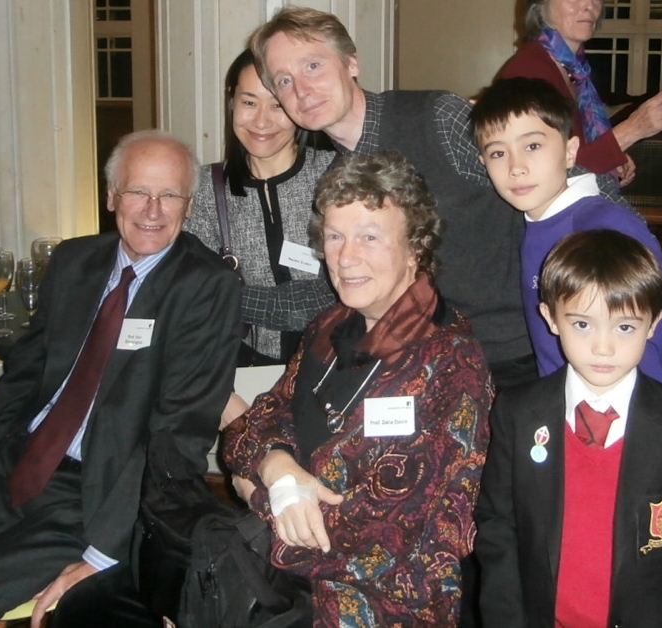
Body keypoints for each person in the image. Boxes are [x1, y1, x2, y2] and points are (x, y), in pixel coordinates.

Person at [222, 151, 493, 626]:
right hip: (291, 598)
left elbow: (380, 539)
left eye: (370, 237)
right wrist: (277, 466)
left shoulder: (450, 363)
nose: (347, 258)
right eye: (334, 236)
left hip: (390, 611)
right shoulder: (330, 327)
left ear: (415, 248)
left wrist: (255, 492)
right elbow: (258, 420)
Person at [0, 130, 242, 626]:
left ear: (188, 206)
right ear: (111, 197)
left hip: (94, 497)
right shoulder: (74, 260)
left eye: (169, 195)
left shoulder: (206, 286)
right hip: (15, 463)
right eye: (137, 192)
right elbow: (25, 373)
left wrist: (104, 551)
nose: (153, 210)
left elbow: (179, 433)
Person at [469, 76, 662, 508]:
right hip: (577, 437)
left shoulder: (600, 226)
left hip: (639, 443)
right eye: (498, 153)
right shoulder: (537, 222)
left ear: (572, 150)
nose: (516, 167)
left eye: (534, 145)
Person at [247, 5, 540, 391]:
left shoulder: (436, 118)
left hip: (514, 359)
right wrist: (219, 295)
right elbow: (331, 292)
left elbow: (560, 181)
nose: (301, 89)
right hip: (420, 368)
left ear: (351, 62)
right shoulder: (334, 180)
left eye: (312, 66)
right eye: (283, 80)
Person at [474, 229, 662, 627]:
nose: (603, 347)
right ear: (551, 318)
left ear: (653, 324)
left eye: (625, 327)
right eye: (582, 324)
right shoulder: (517, 413)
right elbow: (498, 526)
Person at [185, 48, 336, 365]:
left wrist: (233, 298)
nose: (262, 121)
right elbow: (192, 295)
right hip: (244, 364)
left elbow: (345, 290)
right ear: (231, 101)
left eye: (278, 105)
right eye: (249, 102)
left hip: (337, 360)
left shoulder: (339, 175)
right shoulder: (203, 190)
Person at [495, 0, 662, 186]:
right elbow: (545, 176)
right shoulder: (529, 70)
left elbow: (574, 151)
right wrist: (633, 129)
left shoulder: (575, 68)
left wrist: (613, 156)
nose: (587, 4)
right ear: (540, 6)